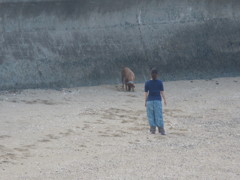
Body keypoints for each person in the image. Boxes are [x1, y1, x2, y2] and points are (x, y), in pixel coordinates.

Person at [144, 68, 167, 135]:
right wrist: (165, 100)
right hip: (157, 100)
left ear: (150, 75)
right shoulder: (160, 82)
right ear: (157, 75)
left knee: (150, 115)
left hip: (150, 101)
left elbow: (145, 93)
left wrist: (145, 101)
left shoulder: (147, 83)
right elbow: (162, 92)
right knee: (158, 115)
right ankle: (161, 129)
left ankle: (152, 129)